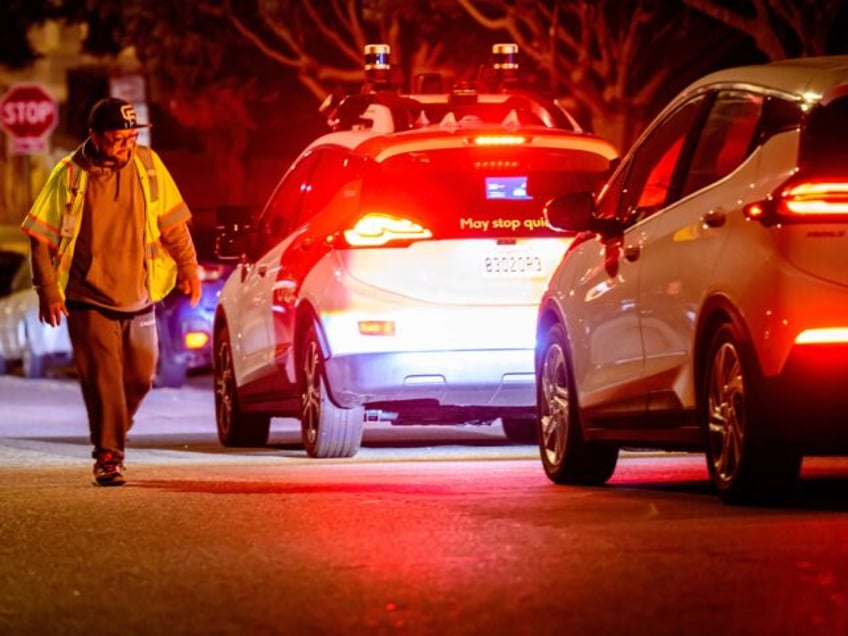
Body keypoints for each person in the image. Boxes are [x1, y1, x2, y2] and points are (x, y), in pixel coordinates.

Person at [21, 97, 201, 487]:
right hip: (87, 297)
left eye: (132, 138)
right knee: (104, 379)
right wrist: (47, 288)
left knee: (140, 377)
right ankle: (108, 455)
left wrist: (188, 267)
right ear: (96, 137)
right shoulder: (69, 173)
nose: (126, 146)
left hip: (140, 293)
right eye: (118, 139)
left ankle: (113, 430)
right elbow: (39, 236)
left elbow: (173, 225)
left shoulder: (149, 166)